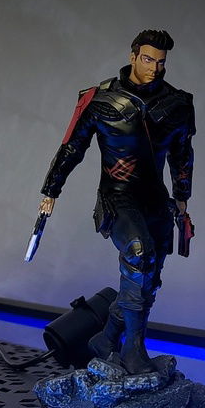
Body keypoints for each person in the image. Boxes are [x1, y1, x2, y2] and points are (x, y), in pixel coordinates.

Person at [37, 29, 195, 374]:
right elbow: (72, 147)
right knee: (139, 253)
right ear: (133, 56)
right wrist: (51, 190)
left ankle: (106, 339)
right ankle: (133, 350)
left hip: (156, 199)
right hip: (117, 196)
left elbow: (182, 154)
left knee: (149, 278)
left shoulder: (177, 104)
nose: (154, 68)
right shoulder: (101, 99)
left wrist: (182, 197)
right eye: (148, 59)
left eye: (161, 62)